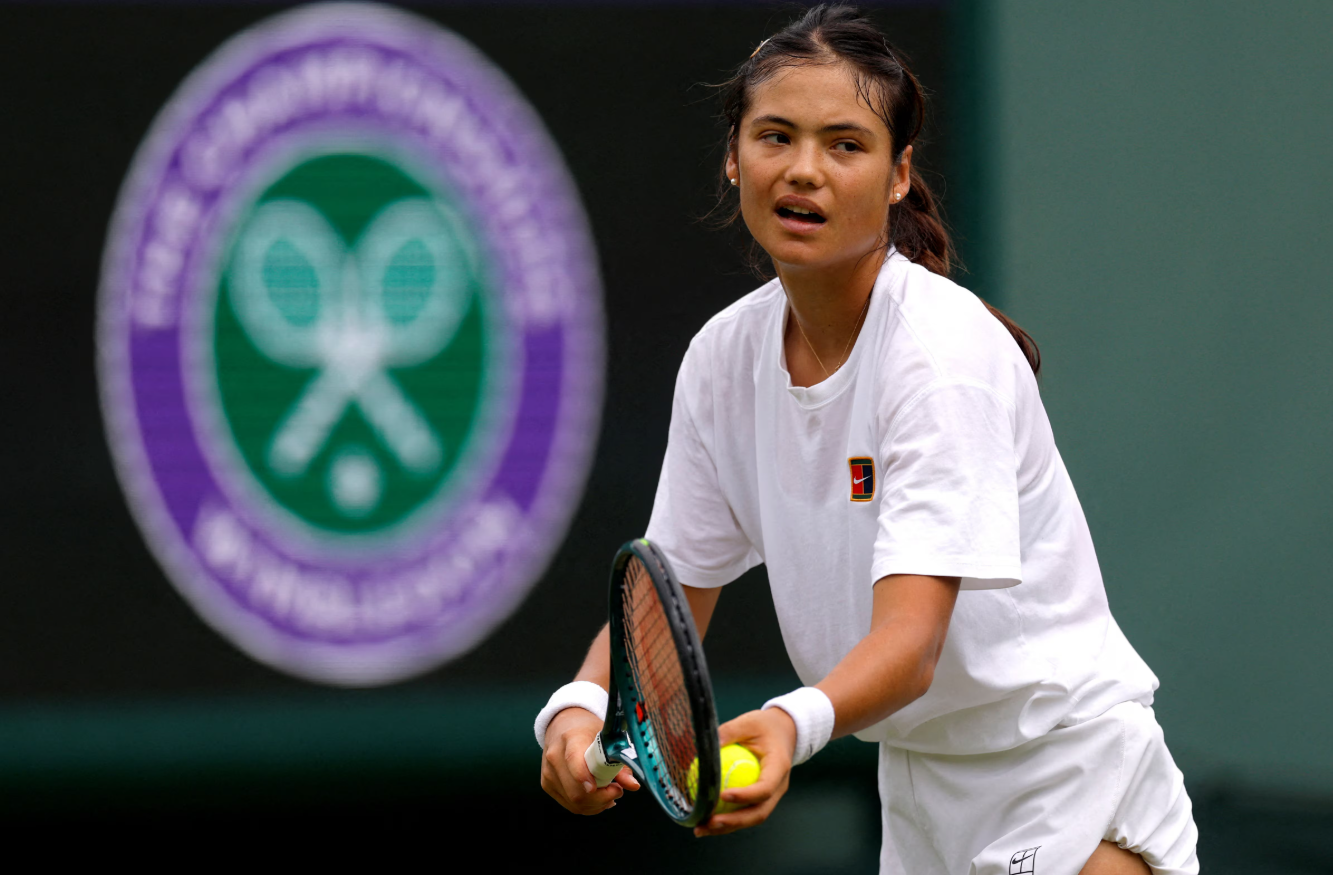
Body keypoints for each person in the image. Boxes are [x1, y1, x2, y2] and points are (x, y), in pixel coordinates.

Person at [534, 5, 1200, 873]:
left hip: (1064, 766)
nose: (803, 170)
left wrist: (785, 722)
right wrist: (581, 708)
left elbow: (911, 645)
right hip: (918, 784)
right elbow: (666, 604)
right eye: (775, 136)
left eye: (844, 145)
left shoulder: (941, 353)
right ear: (734, 157)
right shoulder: (720, 360)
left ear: (896, 176)